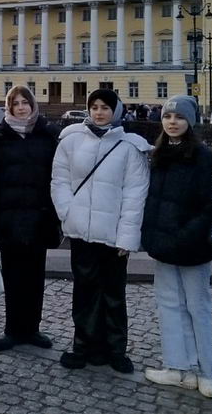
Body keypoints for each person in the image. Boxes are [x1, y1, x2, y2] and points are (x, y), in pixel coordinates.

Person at [51, 88, 150, 373]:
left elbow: (135, 195)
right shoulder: (71, 140)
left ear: (115, 111)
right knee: (84, 291)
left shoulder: (131, 146)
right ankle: (83, 346)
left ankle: (115, 350)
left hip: (113, 233)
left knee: (113, 293)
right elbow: (60, 179)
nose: (99, 112)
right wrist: (68, 212)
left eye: (105, 107)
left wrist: (127, 237)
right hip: (81, 229)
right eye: (94, 107)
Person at [140, 96, 212, 398]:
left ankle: (206, 372)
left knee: (197, 307)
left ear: (190, 121)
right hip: (164, 243)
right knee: (169, 304)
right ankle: (176, 366)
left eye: (179, 117)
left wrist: (187, 234)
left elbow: (211, 206)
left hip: (192, 245)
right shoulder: (159, 155)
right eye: (167, 116)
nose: (172, 122)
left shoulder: (205, 158)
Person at [0, 85, 62, 353]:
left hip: (39, 217)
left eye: (24, 103)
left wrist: (54, 214)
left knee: (35, 276)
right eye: (15, 103)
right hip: (10, 217)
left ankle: (32, 329)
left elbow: (57, 177)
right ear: (9, 108)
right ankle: (12, 330)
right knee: (12, 276)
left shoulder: (47, 136)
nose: (20, 108)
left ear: (32, 105)